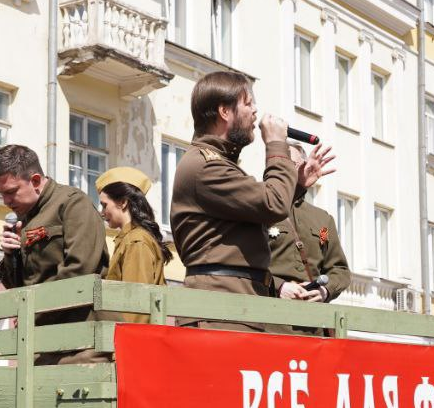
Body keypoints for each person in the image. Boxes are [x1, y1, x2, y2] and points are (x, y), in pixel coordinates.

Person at [170, 71, 334, 302]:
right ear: (224, 111)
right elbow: (272, 205)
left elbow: (258, 213)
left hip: (234, 299)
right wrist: (277, 145)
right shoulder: (206, 166)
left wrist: (295, 187)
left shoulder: (218, 164)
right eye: (248, 103)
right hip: (220, 303)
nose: (255, 110)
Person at [0, 143, 108, 319]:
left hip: (83, 327)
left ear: (35, 181)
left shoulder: (72, 203)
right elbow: (18, 286)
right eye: (1, 194)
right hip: (42, 330)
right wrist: (10, 255)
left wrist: (36, 312)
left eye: (11, 192)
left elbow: (79, 270)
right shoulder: (24, 218)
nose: (6, 201)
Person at [268, 143, 351, 304]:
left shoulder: (322, 219)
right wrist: (278, 286)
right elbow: (243, 264)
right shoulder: (260, 207)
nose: (287, 169)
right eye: (281, 162)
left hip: (311, 323)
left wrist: (325, 291)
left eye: (293, 163)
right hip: (268, 316)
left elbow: (339, 270)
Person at [96, 166, 169, 325]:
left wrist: (123, 347)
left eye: (104, 205)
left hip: (131, 341)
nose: (102, 213)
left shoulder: (136, 241)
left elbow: (135, 306)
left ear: (122, 203)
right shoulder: (130, 239)